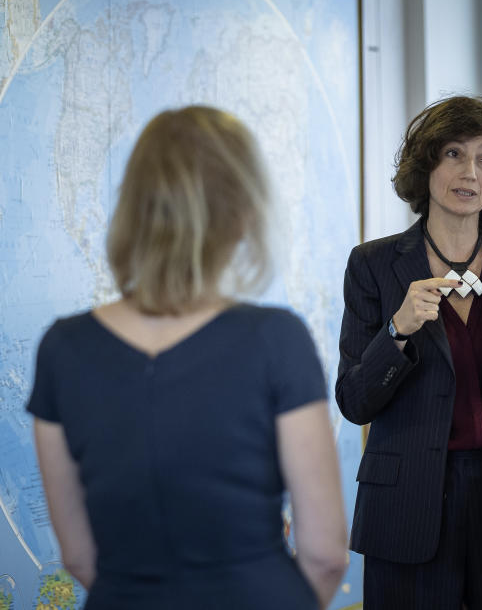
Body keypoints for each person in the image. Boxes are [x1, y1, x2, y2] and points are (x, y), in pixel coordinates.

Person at [28, 106, 348, 609]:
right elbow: (326, 554)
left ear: (134, 210)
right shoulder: (276, 339)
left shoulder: (62, 348)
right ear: (243, 215)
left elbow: (78, 556)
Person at [336, 95, 482, 609]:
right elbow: (354, 401)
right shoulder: (373, 265)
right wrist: (397, 330)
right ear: (426, 164)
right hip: (407, 507)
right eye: (453, 154)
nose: (470, 172)